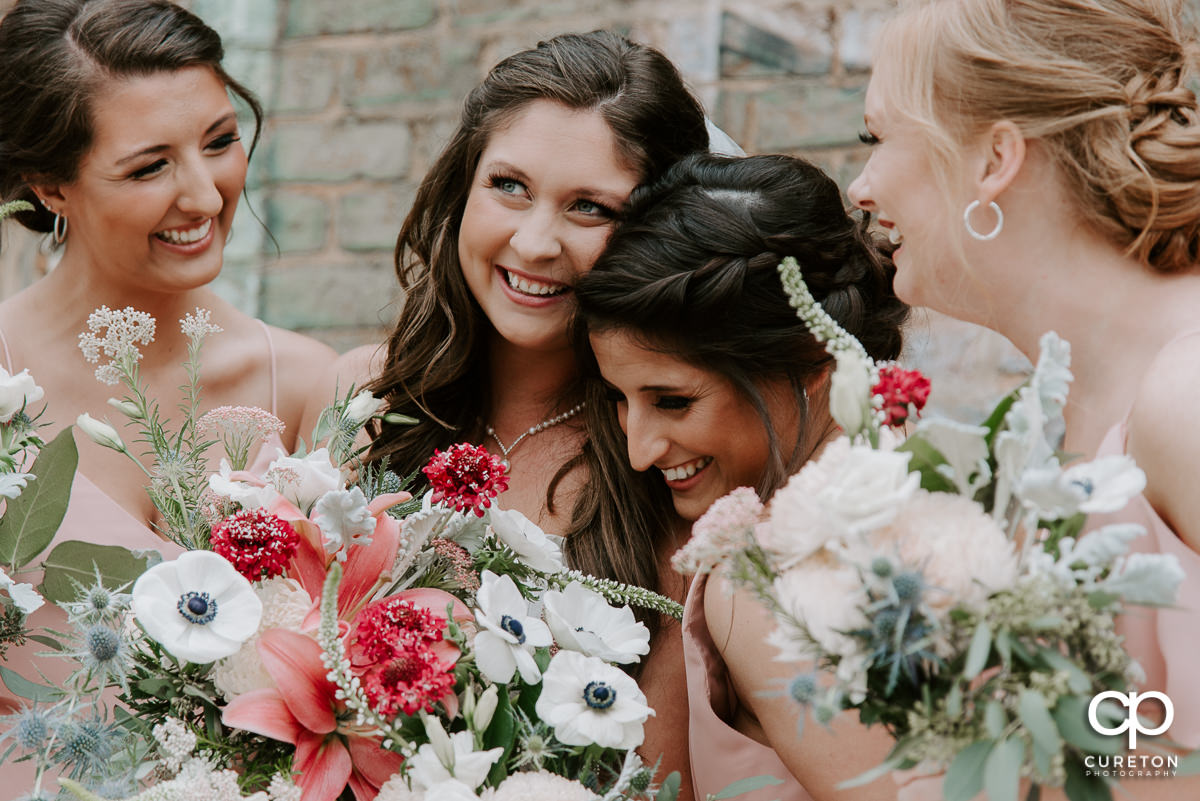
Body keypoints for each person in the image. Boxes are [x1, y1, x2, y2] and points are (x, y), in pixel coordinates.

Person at [847, 1, 1200, 795]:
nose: (861, 187)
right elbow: (1144, 735)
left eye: (878, 137)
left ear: (995, 158)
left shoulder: (1188, 395)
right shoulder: (1065, 416)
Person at [0, 0, 335, 784]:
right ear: (50, 184)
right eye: (150, 166)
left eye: (219, 143)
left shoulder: (307, 384)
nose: (208, 196)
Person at [570, 152, 909, 800]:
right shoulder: (921, 479)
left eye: (673, 400)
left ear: (809, 357)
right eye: (620, 396)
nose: (639, 450)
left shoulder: (758, 584)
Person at [301, 30, 710, 535]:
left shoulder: (672, 450)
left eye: (590, 208)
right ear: (463, 189)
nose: (535, 244)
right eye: (510, 186)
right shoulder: (360, 398)